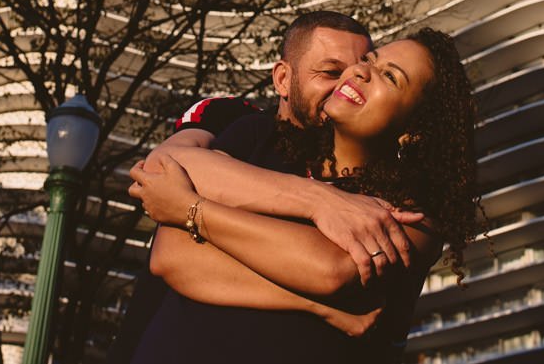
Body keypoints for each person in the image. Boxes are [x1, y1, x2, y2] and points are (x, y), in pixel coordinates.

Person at [128, 28, 479, 364]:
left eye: (390, 77)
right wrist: (315, 297)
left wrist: (189, 210)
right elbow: (170, 253)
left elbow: (330, 270)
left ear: (414, 130)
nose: (361, 72)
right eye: (370, 60)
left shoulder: (413, 209)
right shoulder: (263, 142)